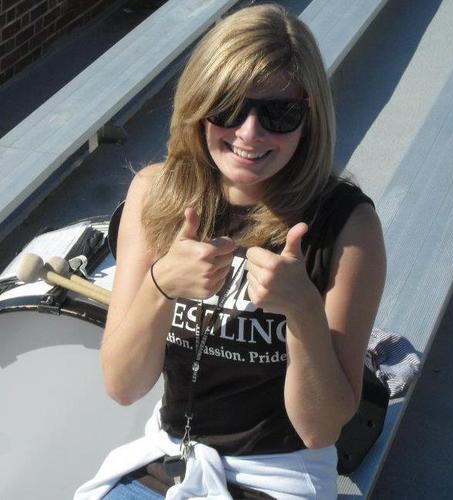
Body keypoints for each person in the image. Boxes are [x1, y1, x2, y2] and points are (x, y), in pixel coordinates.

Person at [75, 3, 386, 499]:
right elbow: (124, 385)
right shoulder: (155, 196)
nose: (249, 133)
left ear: (310, 120)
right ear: (200, 105)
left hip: (281, 474)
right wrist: (160, 287)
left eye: (279, 113)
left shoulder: (348, 226)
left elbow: (320, 430)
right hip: (170, 457)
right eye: (229, 107)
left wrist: (303, 310)